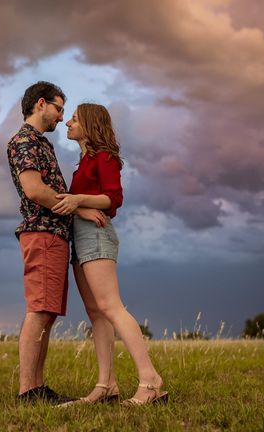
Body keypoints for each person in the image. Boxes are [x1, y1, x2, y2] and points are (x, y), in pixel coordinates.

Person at [52, 103, 168, 406]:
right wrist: (81, 205)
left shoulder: (104, 158)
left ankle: (150, 381)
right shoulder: (84, 161)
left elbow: (114, 198)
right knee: (96, 314)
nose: (68, 124)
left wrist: (78, 199)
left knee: (111, 307)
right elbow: (85, 203)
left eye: (74, 119)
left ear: (89, 124)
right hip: (81, 237)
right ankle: (106, 386)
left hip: (96, 237)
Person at [6, 82, 106, 404]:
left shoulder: (40, 143)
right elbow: (35, 190)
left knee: (47, 312)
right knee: (39, 310)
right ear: (40, 104)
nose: (61, 118)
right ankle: (28, 390)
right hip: (43, 232)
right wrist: (78, 206)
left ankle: (36, 386)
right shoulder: (24, 141)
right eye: (59, 108)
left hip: (53, 235)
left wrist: (80, 207)